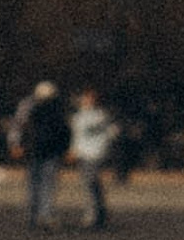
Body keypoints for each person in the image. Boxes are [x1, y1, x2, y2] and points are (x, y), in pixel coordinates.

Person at [13, 80, 69, 230]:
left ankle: (36, 215)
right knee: (45, 185)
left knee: (36, 184)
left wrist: (19, 145)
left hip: (38, 151)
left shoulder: (33, 109)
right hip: (46, 152)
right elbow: (64, 133)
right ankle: (43, 215)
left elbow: (23, 129)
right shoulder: (57, 111)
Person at [68, 87, 117, 228]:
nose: (86, 101)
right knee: (92, 183)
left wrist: (104, 145)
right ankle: (100, 212)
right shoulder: (80, 116)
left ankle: (92, 215)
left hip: (94, 153)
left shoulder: (100, 115)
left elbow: (112, 131)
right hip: (85, 153)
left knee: (89, 183)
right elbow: (76, 135)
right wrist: (73, 150)